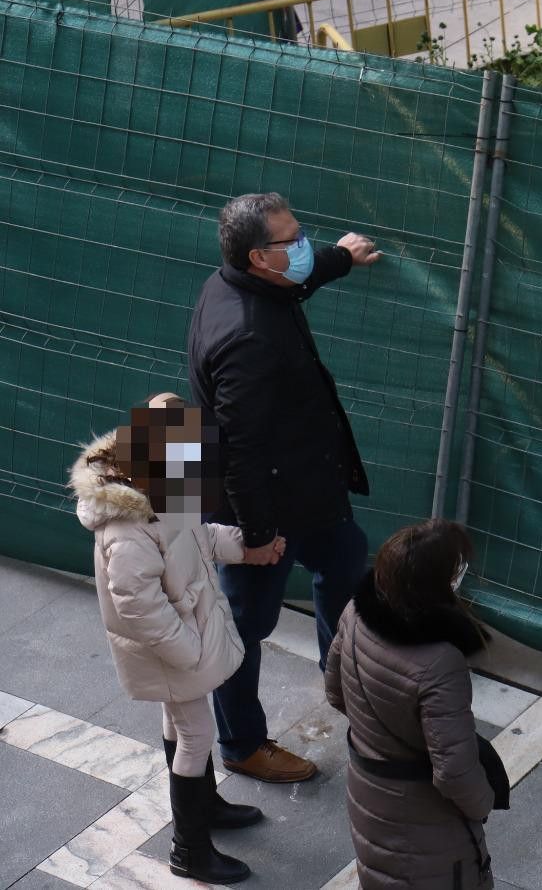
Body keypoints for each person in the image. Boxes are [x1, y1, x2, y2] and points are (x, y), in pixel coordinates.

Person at [188, 192, 382, 783]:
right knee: (242, 629)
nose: (302, 246)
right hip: (265, 504)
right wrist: (257, 536)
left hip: (309, 485)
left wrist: (338, 259)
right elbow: (241, 450)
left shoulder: (243, 283)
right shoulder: (245, 336)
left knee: (345, 558)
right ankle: (241, 745)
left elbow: (294, 283)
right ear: (258, 257)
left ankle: (342, 673)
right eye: (291, 241)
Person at [71, 392, 288, 884]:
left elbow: (198, 537)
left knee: (180, 724)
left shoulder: (160, 491)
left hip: (179, 640)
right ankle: (190, 851)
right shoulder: (127, 528)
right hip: (170, 648)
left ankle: (204, 808)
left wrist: (246, 548)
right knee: (196, 733)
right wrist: (188, 651)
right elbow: (138, 605)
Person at [325, 519, 504, 890]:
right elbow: (454, 773)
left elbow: (335, 691)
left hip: (368, 793)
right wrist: (483, 802)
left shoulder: (354, 614)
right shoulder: (440, 662)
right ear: (437, 583)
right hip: (427, 825)